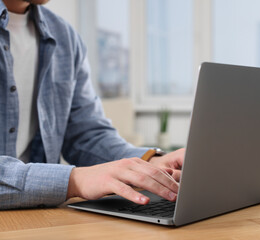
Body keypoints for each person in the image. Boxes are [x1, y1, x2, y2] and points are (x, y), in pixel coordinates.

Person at [0, 0, 184, 210]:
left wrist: (150, 164)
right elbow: (77, 176)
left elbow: (85, 136)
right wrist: (74, 180)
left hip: (36, 216)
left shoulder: (64, 36)